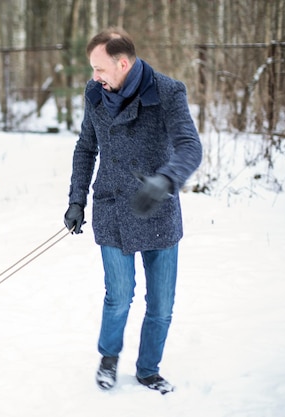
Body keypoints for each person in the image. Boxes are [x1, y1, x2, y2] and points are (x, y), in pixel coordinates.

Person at [63, 28, 202, 393]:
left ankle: (148, 369)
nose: (94, 76)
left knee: (160, 303)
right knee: (119, 294)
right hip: (111, 207)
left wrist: (165, 180)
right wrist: (77, 199)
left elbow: (190, 146)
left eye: (99, 68)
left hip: (158, 209)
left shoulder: (168, 92)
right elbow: (85, 148)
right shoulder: (95, 94)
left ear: (122, 63)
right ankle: (108, 359)